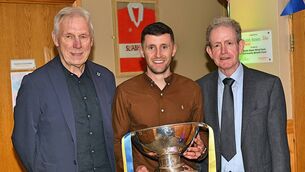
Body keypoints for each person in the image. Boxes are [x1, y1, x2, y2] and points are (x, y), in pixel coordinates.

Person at [12, 7, 116, 172]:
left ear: (92, 40)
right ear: (56, 39)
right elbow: (23, 140)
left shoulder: (106, 78)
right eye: (69, 36)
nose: (77, 44)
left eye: (83, 36)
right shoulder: (35, 83)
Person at [197, 17, 291, 172]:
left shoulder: (268, 86)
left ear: (241, 46)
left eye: (229, 43)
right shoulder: (199, 88)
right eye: (217, 45)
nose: (223, 51)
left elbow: (278, 146)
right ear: (209, 52)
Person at [113, 22, 207, 172]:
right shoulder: (125, 92)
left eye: (164, 47)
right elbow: (118, 141)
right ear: (142, 51)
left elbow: (200, 134)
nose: (158, 54)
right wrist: (133, 168)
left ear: (173, 49)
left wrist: (201, 150)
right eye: (151, 47)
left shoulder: (192, 89)